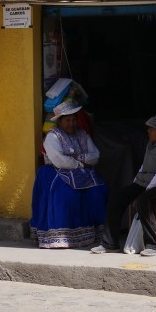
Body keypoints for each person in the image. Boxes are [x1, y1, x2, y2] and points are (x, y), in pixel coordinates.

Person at [92, 111, 156, 257]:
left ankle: (154, 245)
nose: (148, 131)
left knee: (144, 200)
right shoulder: (151, 144)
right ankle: (110, 243)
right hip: (147, 182)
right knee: (117, 197)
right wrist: (134, 185)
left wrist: (145, 192)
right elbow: (143, 167)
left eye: (152, 128)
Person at [30, 100, 108, 249]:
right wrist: (81, 163)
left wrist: (78, 158)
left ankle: (92, 233)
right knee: (67, 193)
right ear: (60, 122)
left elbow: (95, 155)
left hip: (79, 172)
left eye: (73, 120)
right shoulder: (53, 137)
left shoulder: (82, 135)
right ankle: (64, 235)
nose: (71, 124)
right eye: (67, 120)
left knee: (99, 190)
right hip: (56, 172)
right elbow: (59, 160)